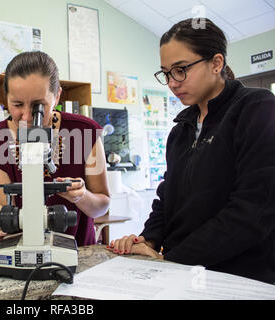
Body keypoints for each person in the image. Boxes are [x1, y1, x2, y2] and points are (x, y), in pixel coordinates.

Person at [108, 18, 275, 284]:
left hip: (240, 277)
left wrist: (174, 260)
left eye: (181, 69)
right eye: (166, 73)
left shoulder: (256, 108)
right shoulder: (181, 129)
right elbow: (167, 198)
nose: (173, 82)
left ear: (216, 63)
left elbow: (254, 210)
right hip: (183, 272)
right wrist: (148, 239)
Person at [0, 51, 110, 247]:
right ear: (6, 97)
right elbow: (6, 212)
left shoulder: (85, 132)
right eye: (17, 104)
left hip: (79, 251)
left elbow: (102, 207)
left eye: (38, 105)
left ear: (56, 96)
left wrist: (82, 196)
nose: (27, 116)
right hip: (24, 249)